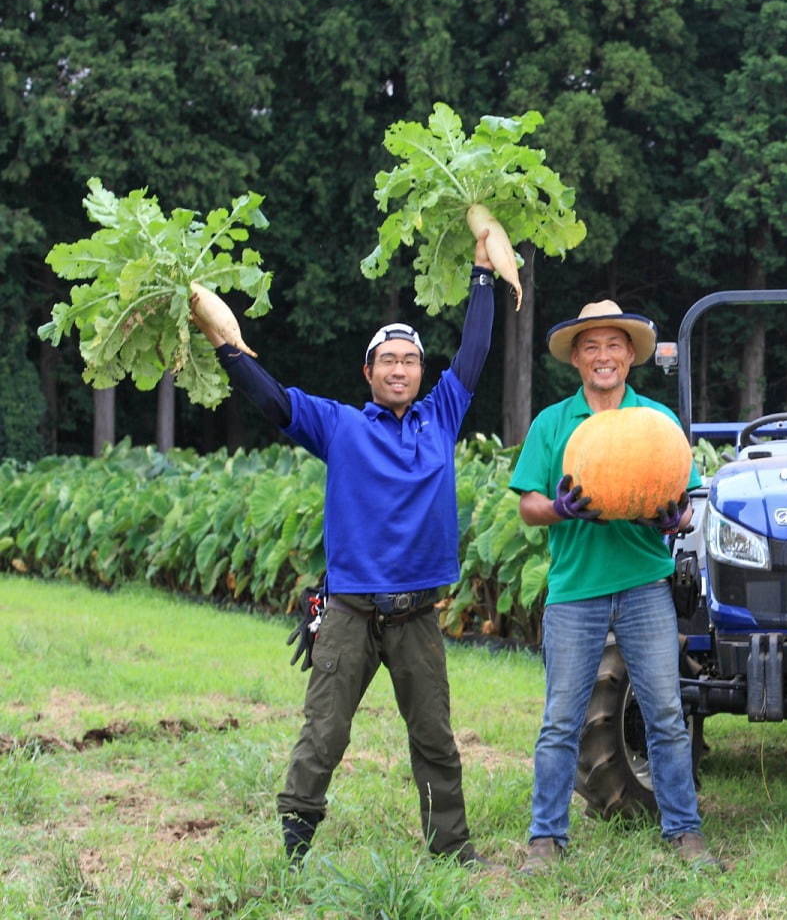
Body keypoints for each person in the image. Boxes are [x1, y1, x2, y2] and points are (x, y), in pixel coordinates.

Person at [192, 234, 498, 869]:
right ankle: (294, 848)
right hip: (350, 613)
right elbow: (273, 401)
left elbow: (475, 348)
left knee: (435, 739)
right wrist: (226, 344)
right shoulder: (340, 425)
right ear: (368, 372)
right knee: (324, 732)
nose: (397, 369)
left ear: (421, 370)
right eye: (386, 360)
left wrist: (484, 271)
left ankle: (452, 849)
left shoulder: (441, 416)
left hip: (416, 615)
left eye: (408, 360)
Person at [509, 299, 721, 875]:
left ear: (630, 356)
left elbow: (683, 504)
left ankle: (684, 831)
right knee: (561, 718)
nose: (604, 356)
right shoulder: (553, 424)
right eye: (591, 347)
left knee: (666, 714)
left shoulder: (656, 423)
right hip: (574, 591)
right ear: (577, 358)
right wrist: (561, 508)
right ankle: (545, 840)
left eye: (614, 346)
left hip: (644, 586)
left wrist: (669, 518)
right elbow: (529, 506)